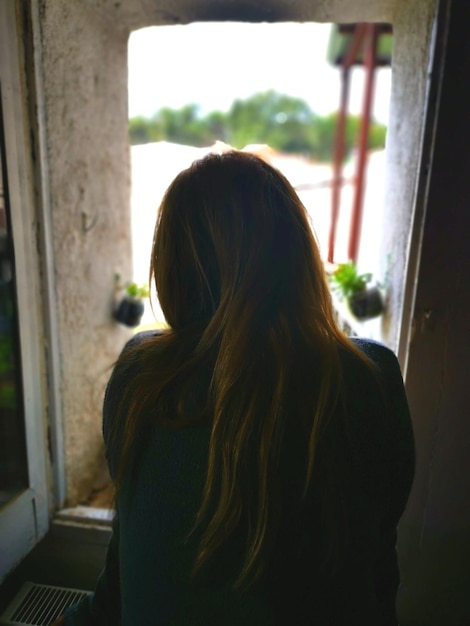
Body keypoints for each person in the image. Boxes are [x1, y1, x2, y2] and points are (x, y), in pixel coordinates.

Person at [58, 150, 414, 626]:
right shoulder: (368, 378)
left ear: (175, 268)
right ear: (296, 256)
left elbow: (126, 571)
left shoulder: (141, 375)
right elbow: (376, 565)